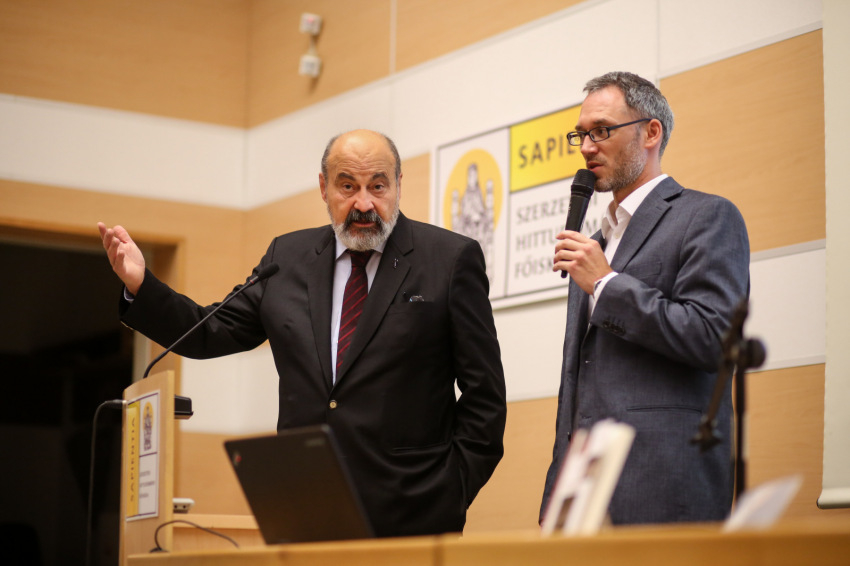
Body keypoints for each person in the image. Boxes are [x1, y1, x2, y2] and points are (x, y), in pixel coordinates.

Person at [98, 129, 507, 538]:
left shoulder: (449, 260)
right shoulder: (287, 258)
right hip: (305, 508)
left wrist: (449, 492)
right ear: (324, 188)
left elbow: (485, 397)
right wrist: (141, 286)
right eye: (348, 186)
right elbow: (210, 330)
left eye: (377, 186)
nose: (364, 204)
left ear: (398, 185)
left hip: (413, 515)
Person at [540, 72, 750, 525]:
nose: (586, 147)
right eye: (581, 134)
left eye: (601, 131)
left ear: (651, 133)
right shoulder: (596, 244)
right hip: (582, 499)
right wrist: (557, 492)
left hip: (665, 487)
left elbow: (714, 339)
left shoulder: (706, 216)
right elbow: (580, 382)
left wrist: (607, 284)